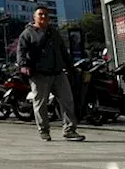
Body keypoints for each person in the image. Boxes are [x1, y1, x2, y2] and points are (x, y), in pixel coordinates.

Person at [16, 7, 85, 142]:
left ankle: (70, 130)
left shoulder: (54, 33)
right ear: (34, 17)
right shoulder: (27, 34)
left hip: (58, 74)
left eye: (45, 15)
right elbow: (21, 52)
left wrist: (71, 68)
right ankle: (44, 131)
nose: (43, 16)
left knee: (67, 101)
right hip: (39, 75)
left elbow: (63, 51)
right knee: (41, 104)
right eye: (40, 14)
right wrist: (24, 66)